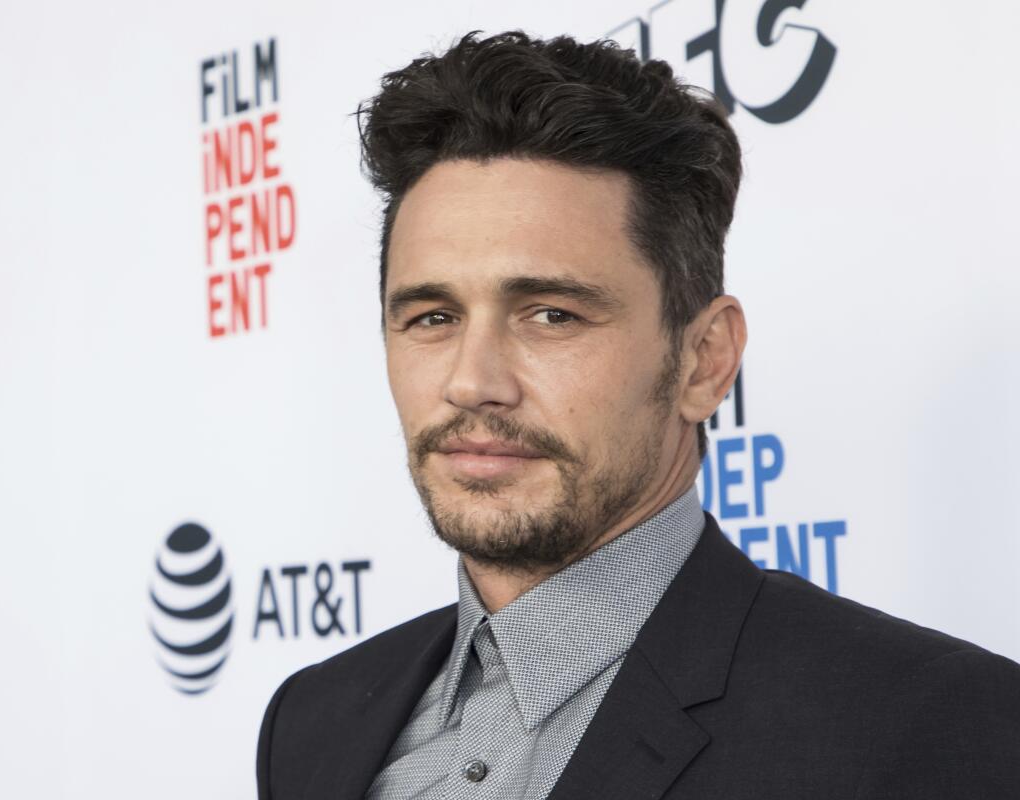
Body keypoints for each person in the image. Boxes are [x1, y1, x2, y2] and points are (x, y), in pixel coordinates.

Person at [255, 30, 1020, 799]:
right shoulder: (312, 721)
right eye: (431, 317)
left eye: (551, 315)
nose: (472, 382)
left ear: (705, 360)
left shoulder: (924, 722)